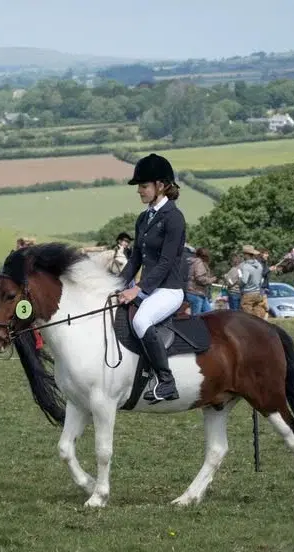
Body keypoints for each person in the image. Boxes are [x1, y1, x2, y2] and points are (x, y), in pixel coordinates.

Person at [117, 153, 187, 403]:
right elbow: (135, 258)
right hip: (149, 288)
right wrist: (116, 284)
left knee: (141, 320)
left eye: (144, 186)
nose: (139, 191)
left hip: (169, 289)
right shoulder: (144, 218)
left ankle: (167, 382)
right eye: (139, 186)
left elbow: (167, 263)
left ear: (161, 186)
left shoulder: (174, 218)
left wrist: (137, 289)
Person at [186, 247, 217, 315]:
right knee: (196, 318)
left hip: (198, 293)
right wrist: (211, 280)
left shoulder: (195, 262)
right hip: (196, 293)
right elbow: (200, 278)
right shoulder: (199, 262)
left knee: (209, 315)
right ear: (205, 255)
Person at [238, 245, 266, 318]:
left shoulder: (246, 266)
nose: (243, 255)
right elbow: (260, 279)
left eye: (244, 254)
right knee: (258, 316)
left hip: (248, 294)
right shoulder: (259, 265)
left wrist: (239, 285)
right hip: (258, 293)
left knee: (247, 318)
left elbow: (244, 281)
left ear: (247, 255)